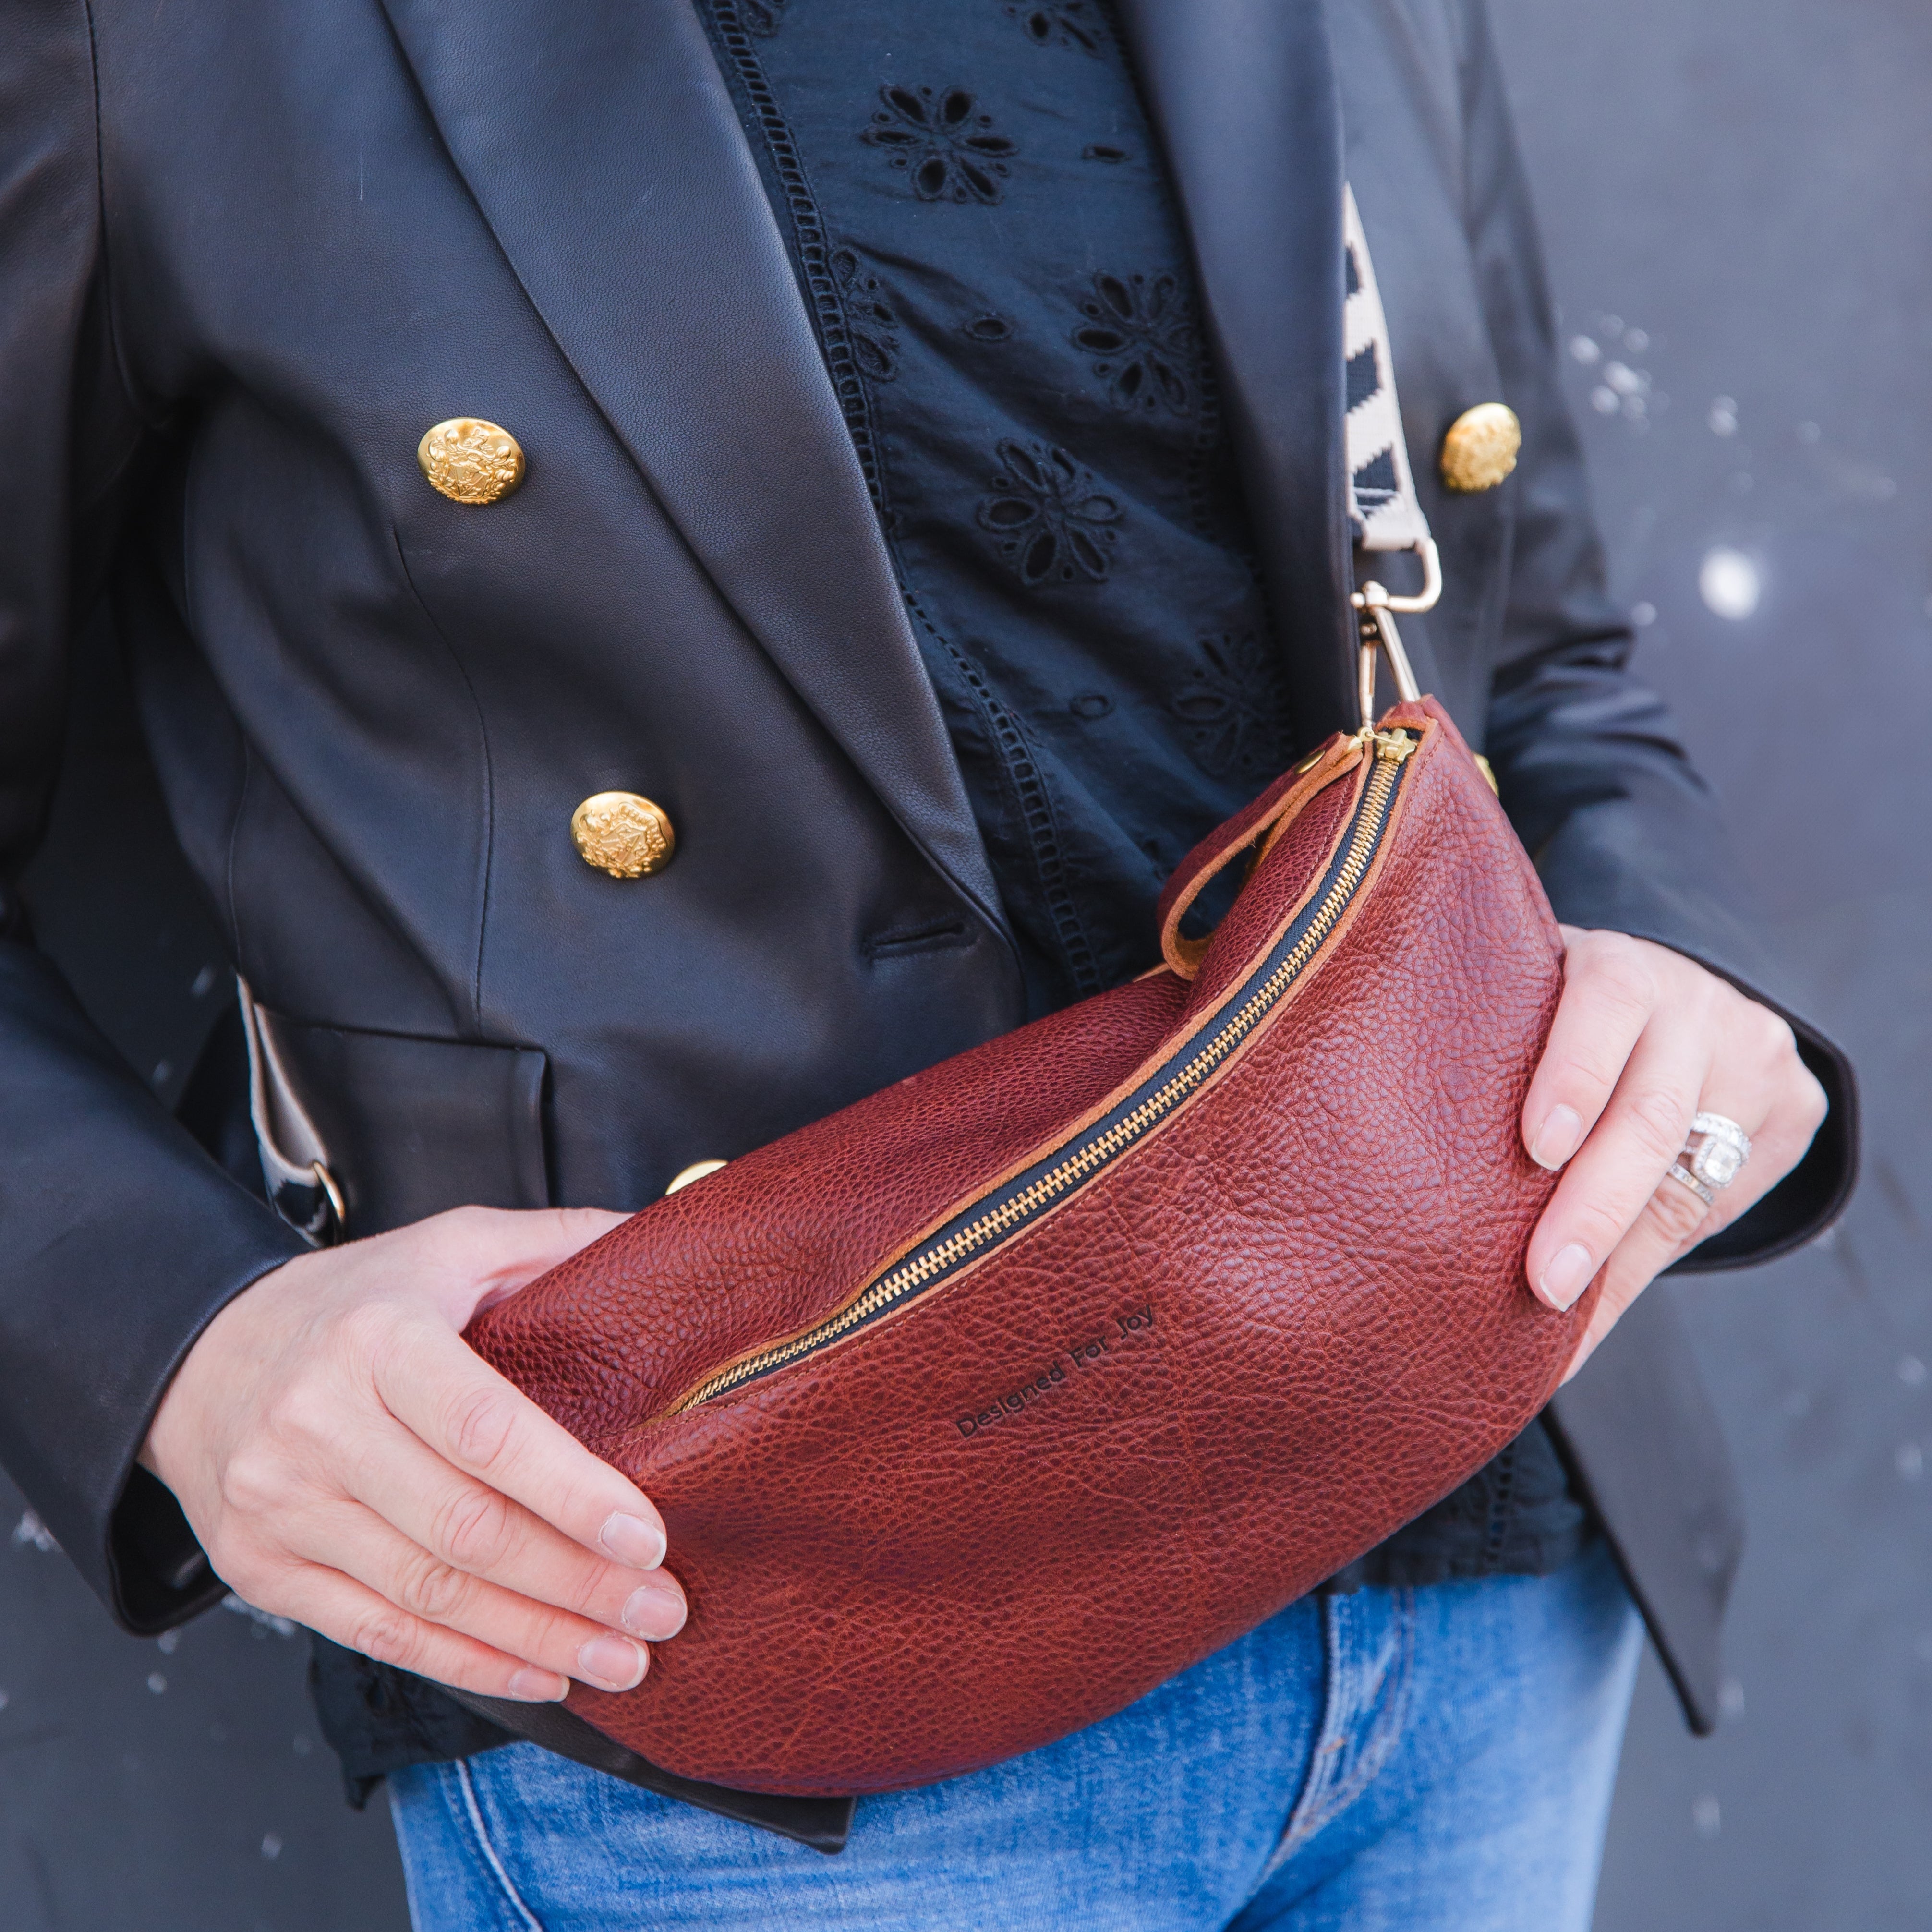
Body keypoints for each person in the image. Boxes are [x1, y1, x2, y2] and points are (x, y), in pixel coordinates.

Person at [0, 0, 1854, 1924]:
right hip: (742, 1651)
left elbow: (1527, 644)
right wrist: (181, 1350)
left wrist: (1675, 961)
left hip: (1467, 1541)